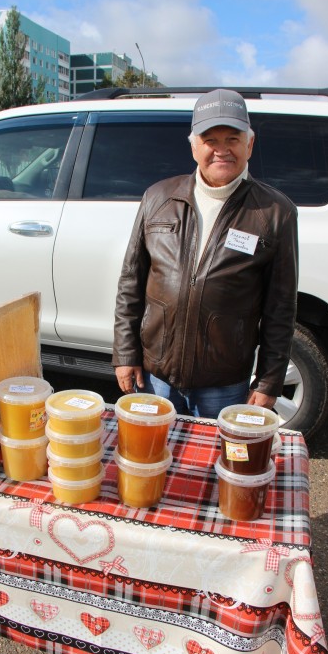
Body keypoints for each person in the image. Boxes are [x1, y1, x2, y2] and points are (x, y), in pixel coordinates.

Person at [112, 88, 298, 418]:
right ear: (194, 145)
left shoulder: (275, 212)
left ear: (250, 145)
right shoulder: (157, 198)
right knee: (152, 460)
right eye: (211, 139)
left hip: (223, 385)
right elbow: (131, 284)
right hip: (156, 377)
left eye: (233, 139)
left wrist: (269, 381)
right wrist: (125, 353)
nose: (221, 150)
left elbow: (280, 308)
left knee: (213, 465)